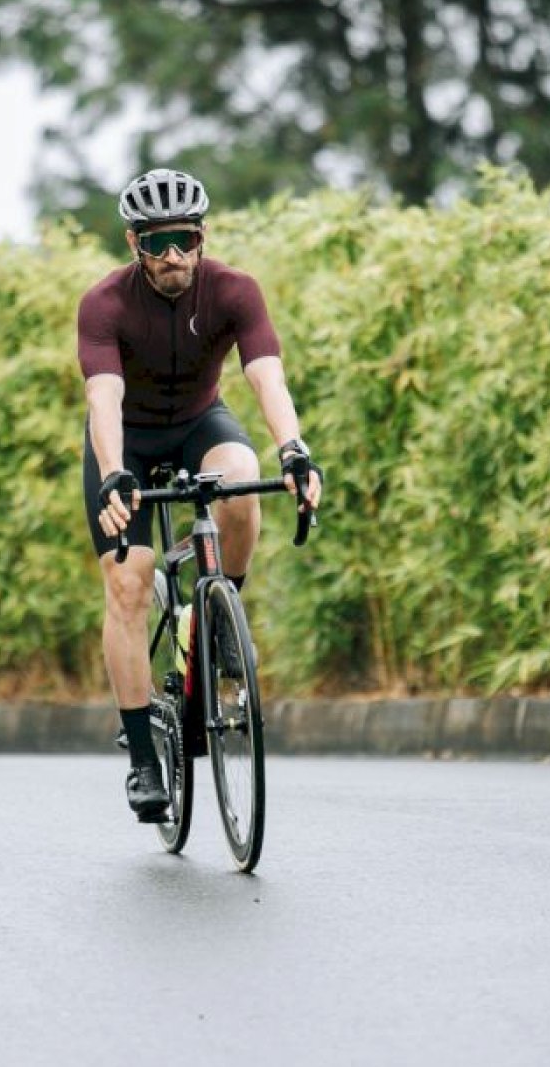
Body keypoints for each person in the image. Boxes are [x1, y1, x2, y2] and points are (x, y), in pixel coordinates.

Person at [78, 167, 324, 822]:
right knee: (129, 582)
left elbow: (267, 376)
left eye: (184, 239)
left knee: (243, 482)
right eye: (157, 243)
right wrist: (111, 473)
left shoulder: (234, 290)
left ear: (202, 235)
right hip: (125, 442)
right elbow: (103, 397)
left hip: (197, 424)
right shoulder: (104, 303)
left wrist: (294, 450)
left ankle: (218, 614)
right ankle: (140, 758)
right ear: (134, 243)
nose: (172, 257)